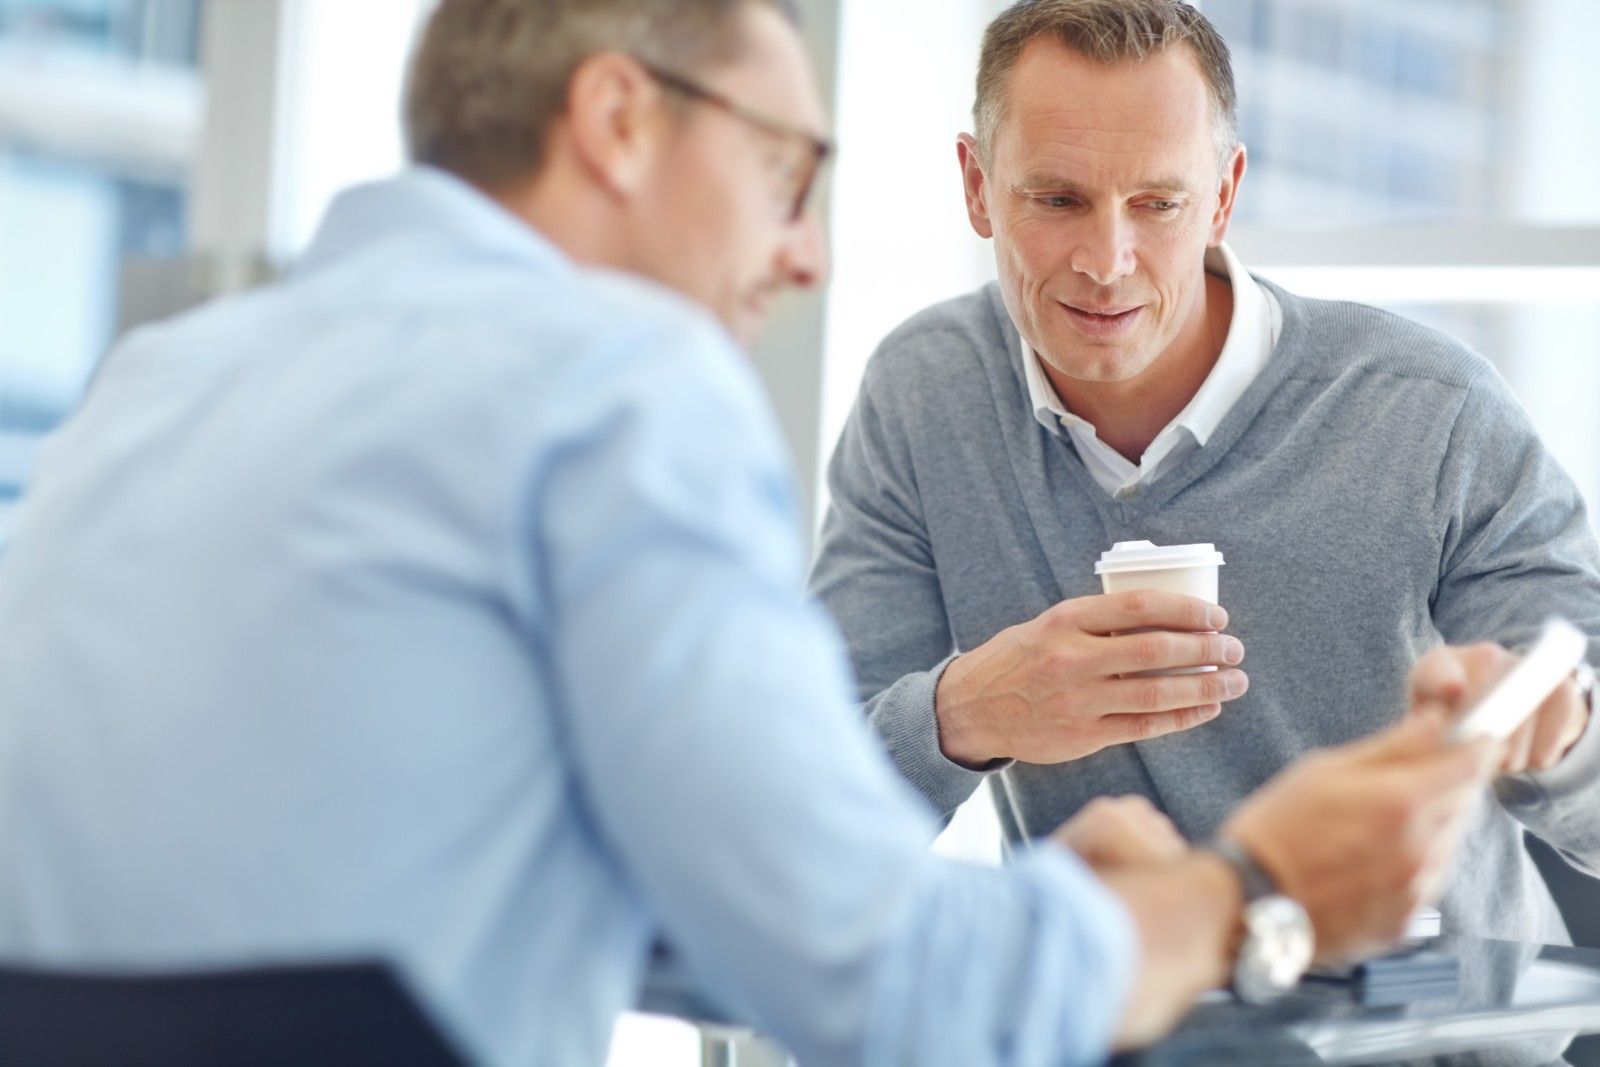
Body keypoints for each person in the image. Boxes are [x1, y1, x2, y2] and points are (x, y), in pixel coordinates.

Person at [0, 1, 1498, 1064]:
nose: (805, 249)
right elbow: (863, 979)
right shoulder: (610, 382)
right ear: (616, 120)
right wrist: (1239, 896)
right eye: (787, 169)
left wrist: (1044, 902)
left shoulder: (161, 381)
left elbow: (654, 903)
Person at [809, 0, 1600, 957]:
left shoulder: (1434, 412)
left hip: (1431, 1045)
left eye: (1158, 203)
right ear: (978, 186)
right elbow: (809, 809)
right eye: (1057, 200)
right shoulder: (926, 393)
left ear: (1224, 195)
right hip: (1123, 1028)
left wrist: (1558, 740)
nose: (1107, 263)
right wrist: (965, 711)